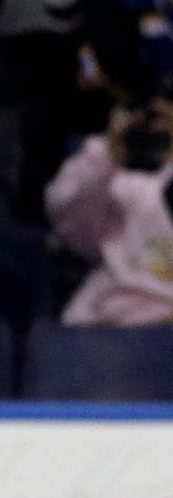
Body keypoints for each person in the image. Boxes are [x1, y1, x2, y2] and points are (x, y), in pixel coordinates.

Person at [45, 97, 173, 327]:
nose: (156, 128)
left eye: (164, 118)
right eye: (149, 118)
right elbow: (69, 227)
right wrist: (110, 153)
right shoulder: (110, 173)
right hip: (113, 322)